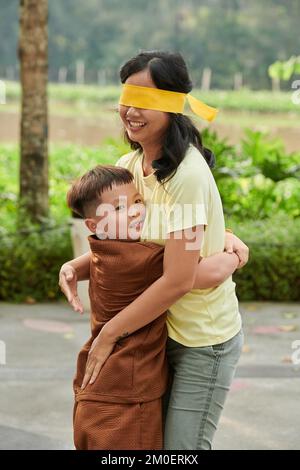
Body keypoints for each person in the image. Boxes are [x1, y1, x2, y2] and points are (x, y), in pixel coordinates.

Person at [59, 51, 249, 450]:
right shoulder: (128, 166)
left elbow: (178, 279)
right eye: (127, 98)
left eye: (146, 101)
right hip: (154, 332)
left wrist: (109, 333)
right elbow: (123, 247)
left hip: (201, 337)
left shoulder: (189, 175)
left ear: (173, 106)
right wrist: (77, 265)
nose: (130, 111)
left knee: (182, 449)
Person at [66, 164, 239, 450]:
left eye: (137, 202)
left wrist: (71, 265)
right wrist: (233, 249)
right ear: (94, 225)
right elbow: (207, 273)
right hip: (128, 391)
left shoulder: (102, 249)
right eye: (119, 209)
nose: (135, 211)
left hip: (103, 385)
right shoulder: (143, 259)